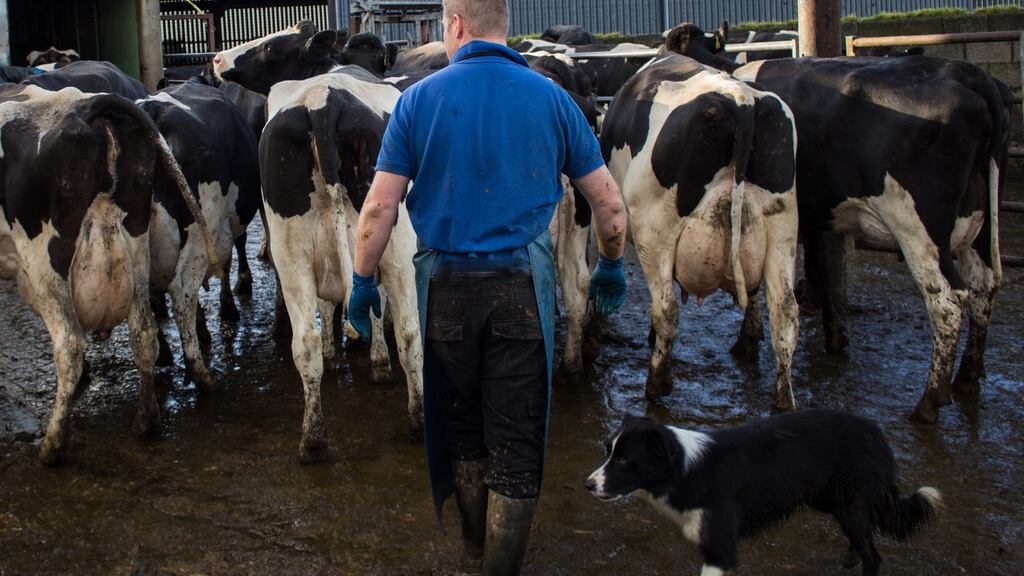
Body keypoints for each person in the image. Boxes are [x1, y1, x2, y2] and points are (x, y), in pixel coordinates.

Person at [349, 1, 628, 573]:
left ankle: (473, 547)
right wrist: (610, 263)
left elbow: (378, 208)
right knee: (517, 439)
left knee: (463, 430)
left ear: (453, 25)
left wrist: (361, 281)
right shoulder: (552, 98)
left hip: (446, 289)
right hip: (520, 290)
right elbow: (609, 202)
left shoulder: (417, 101)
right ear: (504, 27)